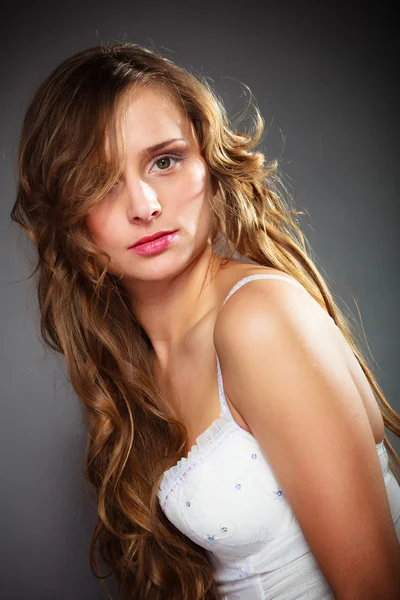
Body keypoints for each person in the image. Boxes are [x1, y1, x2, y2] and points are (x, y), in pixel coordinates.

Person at [10, 41, 400, 600]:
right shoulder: (138, 363)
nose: (144, 205)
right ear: (68, 219)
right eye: (101, 181)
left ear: (210, 166)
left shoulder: (257, 320)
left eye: (164, 160)